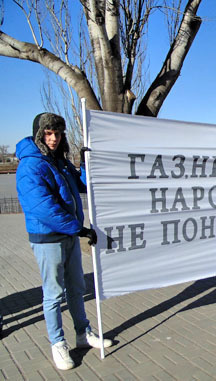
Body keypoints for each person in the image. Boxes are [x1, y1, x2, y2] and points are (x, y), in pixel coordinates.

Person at [16, 113, 112, 370]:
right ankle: (58, 343)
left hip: (68, 235)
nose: (54, 139)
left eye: (57, 134)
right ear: (39, 134)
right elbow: (42, 207)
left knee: (76, 287)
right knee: (53, 294)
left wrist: (84, 163)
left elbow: (82, 185)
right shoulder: (31, 165)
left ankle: (82, 333)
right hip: (48, 239)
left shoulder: (59, 161)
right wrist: (79, 229)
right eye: (48, 134)